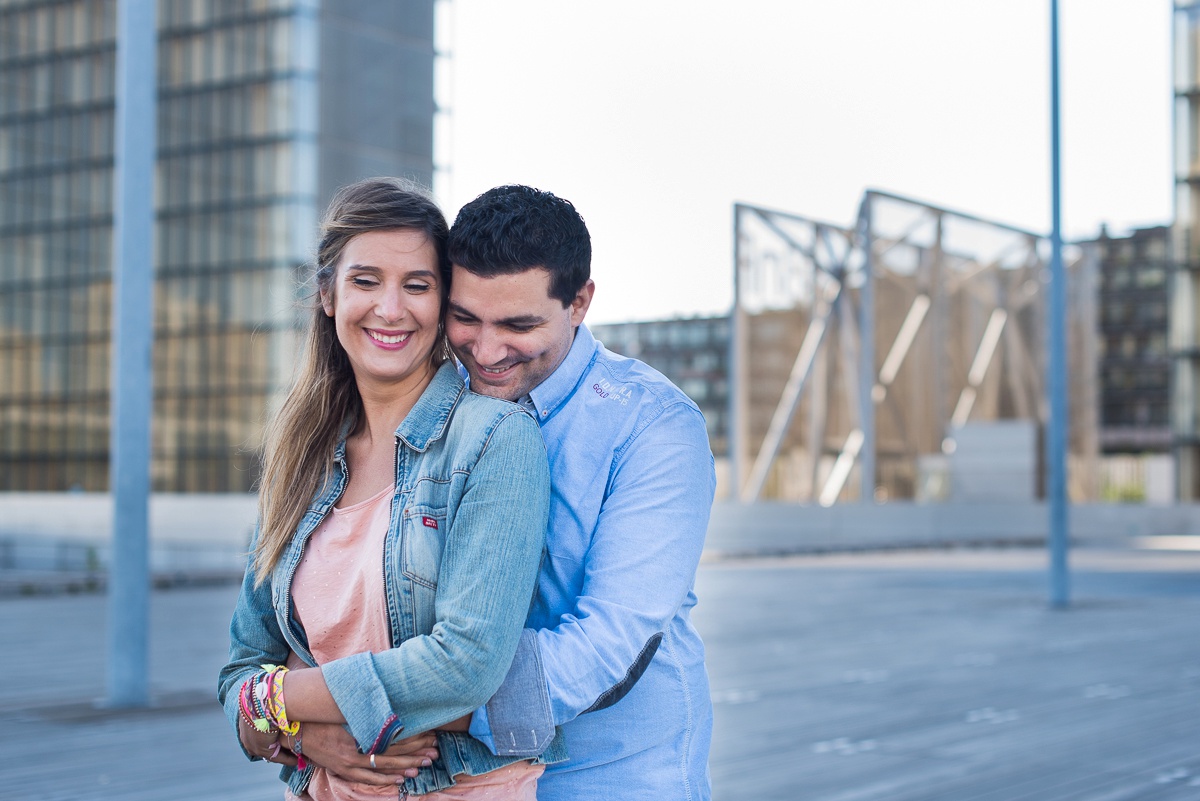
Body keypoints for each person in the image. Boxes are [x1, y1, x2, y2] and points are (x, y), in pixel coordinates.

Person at [217, 177, 566, 800]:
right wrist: (300, 737)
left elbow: (466, 664)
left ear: (443, 302)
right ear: (327, 294)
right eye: (366, 280)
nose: (391, 308)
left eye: (418, 285)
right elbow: (242, 666)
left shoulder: (493, 440)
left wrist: (280, 701)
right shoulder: (300, 458)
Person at [445, 185, 718, 799]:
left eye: (518, 325)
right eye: (466, 319)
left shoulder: (656, 426)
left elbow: (609, 643)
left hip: (613, 777)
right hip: (461, 783)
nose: (485, 352)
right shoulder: (440, 400)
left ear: (580, 302)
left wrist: (417, 707)